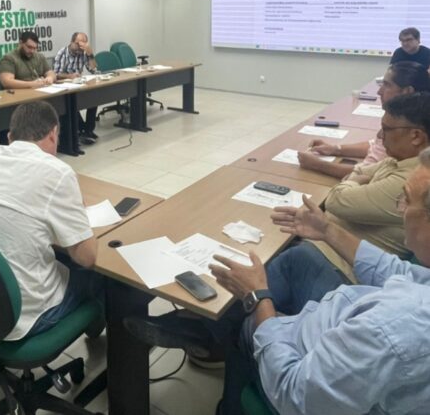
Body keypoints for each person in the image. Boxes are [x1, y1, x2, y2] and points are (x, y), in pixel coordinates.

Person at [126, 146, 430, 414]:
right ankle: (209, 328)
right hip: (340, 317)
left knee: (248, 321)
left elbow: (295, 395)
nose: (400, 209)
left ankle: (227, 385)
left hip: (301, 371)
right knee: (300, 258)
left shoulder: (392, 330)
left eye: (406, 201)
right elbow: (398, 271)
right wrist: (327, 230)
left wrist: (258, 299)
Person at [0, 101, 102, 340]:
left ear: (9, 137)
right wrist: (80, 216)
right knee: (104, 275)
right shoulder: (58, 172)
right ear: (53, 134)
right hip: (23, 316)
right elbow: (86, 258)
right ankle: (106, 341)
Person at [322, 92, 430, 261]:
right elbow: (359, 171)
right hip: (332, 244)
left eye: (386, 129)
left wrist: (354, 181)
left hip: (340, 261)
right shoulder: (399, 159)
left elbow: (335, 201)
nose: (380, 136)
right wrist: (355, 180)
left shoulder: (413, 181)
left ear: (416, 136)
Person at [297, 61, 430, 179]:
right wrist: (335, 149)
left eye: (387, 85)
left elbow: (368, 174)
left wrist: (317, 164)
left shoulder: (405, 126)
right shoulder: (407, 117)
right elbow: (376, 146)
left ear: (407, 91)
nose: (379, 92)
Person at [53, 32, 98, 145]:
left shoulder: (83, 53)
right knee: (71, 105)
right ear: (71, 42)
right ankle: (81, 130)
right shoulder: (62, 53)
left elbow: (94, 70)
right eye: (78, 44)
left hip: (78, 85)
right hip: (63, 88)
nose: (80, 48)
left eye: (83, 45)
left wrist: (90, 54)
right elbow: (56, 74)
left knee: (94, 99)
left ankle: (88, 131)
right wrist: (69, 76)